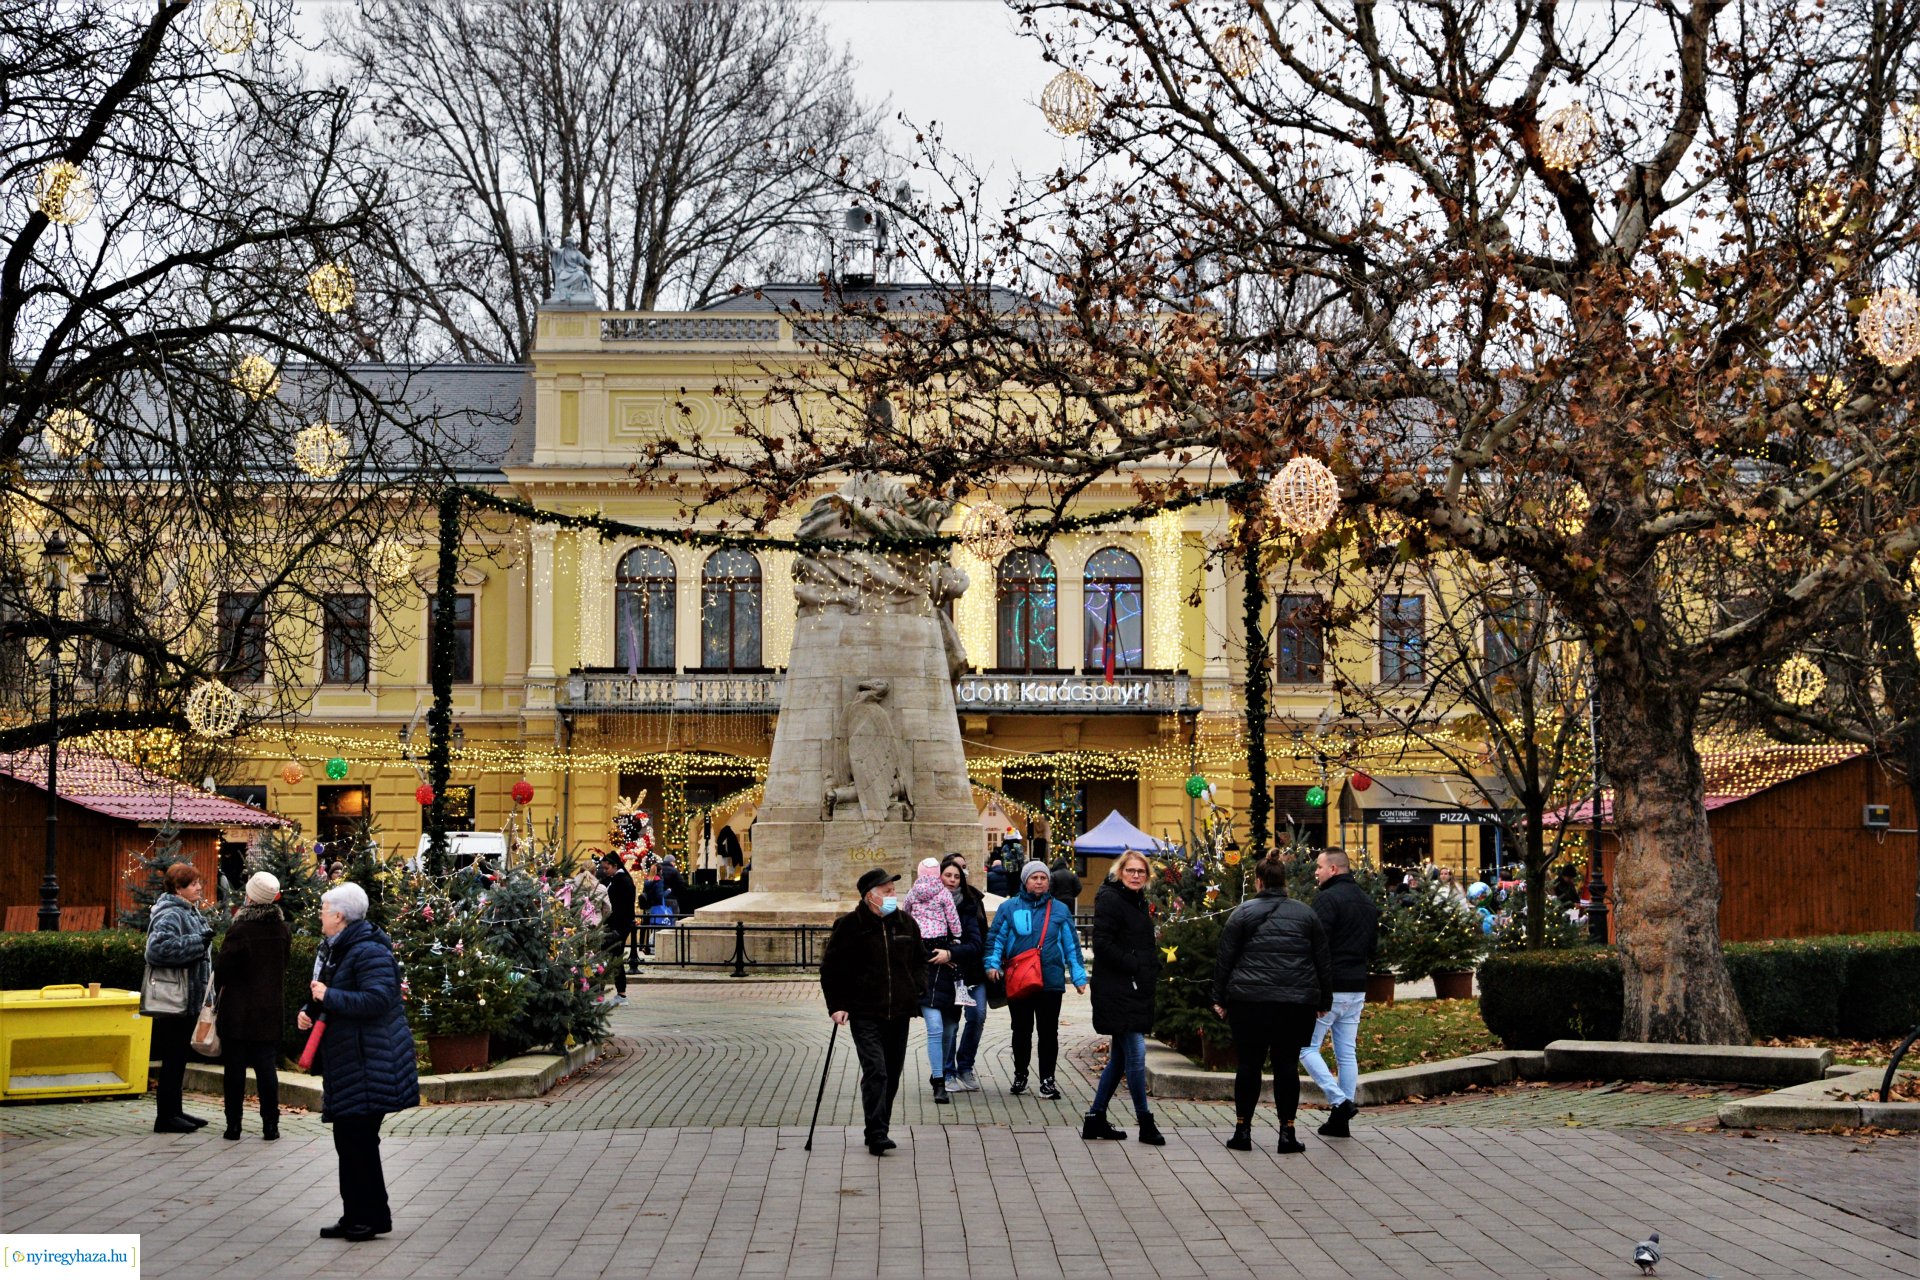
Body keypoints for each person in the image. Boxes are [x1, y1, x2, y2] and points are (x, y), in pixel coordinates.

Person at [297, 883, 418, 1241]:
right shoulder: (339, 948)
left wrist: (329, 995)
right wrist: (309, 1010)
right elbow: (331, 992)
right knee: (351, 1141)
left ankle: (365, 1218)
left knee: (357, 1141)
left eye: (323, 909)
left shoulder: (368, 950)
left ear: (339, 916)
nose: (319, 915)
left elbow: (377, 999)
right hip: (353, 1061)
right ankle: (361, 1215)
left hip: (369, 1061)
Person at [1213, 856, 1331, 1154]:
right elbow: (1322, 960)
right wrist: (1324, 999)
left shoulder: (1242, 913)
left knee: (1248, 1064)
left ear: (1258, 882)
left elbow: (1225, 959)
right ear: (1284, 882)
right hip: (1295, 1004)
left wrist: (1219, 998)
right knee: (1287, 1066)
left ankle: (1242, 1131)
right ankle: (1287, 1134)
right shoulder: (1306, 914)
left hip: (1248, 1002)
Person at [819, 868, 930, 1156]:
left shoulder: (906, 923)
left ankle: (879, 1127)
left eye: (894, 890)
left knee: (891, 1073)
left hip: (900, 1011)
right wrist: (837, 1005)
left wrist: (917, 986)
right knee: (876, 1071)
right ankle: (877, 1132)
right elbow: (831, 969)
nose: (893, 895)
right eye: (887, 891)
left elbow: (920, 960)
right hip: (865, 1011)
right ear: (870, 896)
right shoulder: (849, 926)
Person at [984, 860, 1087, 1099]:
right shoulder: (1009, 908)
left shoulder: (1059, 909)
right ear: (1025, 880)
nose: (1039, 882)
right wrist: (992, 963)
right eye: (1034, 878)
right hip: (1020, 979)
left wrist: (1078, 975)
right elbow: (996, 938)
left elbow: (1071, 945)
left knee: (1048, 1032)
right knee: (1021, 1030)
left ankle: (1047, 1080)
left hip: (1051, 980)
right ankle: (1020, 1074)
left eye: (1043, 878)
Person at [1083, 850, 1164, 1145]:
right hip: (1117, 989)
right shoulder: (1111, 899)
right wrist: (1135, 964)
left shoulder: (1137, 900)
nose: (1136, 876)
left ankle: (1095, 1118)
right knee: (1136, 1054)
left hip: (1133, 988)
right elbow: (1102, 943)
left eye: (1141, 871)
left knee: (1118, 1059)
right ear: (1120, 872)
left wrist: (1148, 965)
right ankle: (1145, 1121)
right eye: (1130, 870)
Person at [1297, 849, 1378, 1139]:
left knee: (1305, 1047)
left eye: (1319, 867)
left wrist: (1315, 988)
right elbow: (1373, 947)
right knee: (1346, 1053)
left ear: (1333, 869)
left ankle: (1340, 1102)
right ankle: (1340, 1121)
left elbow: (1315, 945)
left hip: (1330, 987)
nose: (1315, 872)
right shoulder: (1366, 901)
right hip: (1357, 986)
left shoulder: (1327, 899)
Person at [215, 871, 291, 1141]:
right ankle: (271, 1125)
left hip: (238, 1011)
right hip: (269, 1010)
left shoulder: (240, 930)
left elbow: (222, 969)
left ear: (250, 896)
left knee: (234, 1070)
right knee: (266, 1069)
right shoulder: (282, 930)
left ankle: (233, 1125)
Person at [145, 862, 214, 1134]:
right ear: (178, 888)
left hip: (188, 998)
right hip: (175, 999)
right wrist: (197, 943)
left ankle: (175, 1110)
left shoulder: (188, 910)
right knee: (173, 1056)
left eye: (198, 883)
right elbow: (156, 950)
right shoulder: (171, 913)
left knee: (179, 1056)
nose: (199, 888)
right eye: (193, 884)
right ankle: (166, 1116)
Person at [904, 859, 963, 1104]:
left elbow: (906, 913)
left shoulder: (912, 892)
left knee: (948, 1029)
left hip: (935, 965)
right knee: (936, 1028)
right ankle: (939, 1080)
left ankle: (938, 1071)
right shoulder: (943, 894)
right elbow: (954, 921)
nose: (951, 880)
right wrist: (955, 939)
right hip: (933, 963)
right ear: (939, 875)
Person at [940, 853, 989, 1092]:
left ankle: (965, 1066)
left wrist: (952, 952)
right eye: (949, 874)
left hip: (972, 972)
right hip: (946, 975)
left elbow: (979, 939)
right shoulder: (930, 903)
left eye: (958, 874)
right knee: (950, 1024)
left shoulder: (971, 902)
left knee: (977, 1015)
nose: (953, 879)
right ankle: (947, 1071)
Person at [600, 852, 636, 1003]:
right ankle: (619, 993)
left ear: (615, 866)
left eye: (606, 868)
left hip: (618, 926)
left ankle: (617, 994)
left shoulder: (623, 880)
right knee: (614, 958)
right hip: (616, 925)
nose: (605, 871)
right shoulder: (614, 879)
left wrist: (616, 926)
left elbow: (622, 907)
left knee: (613, 958)